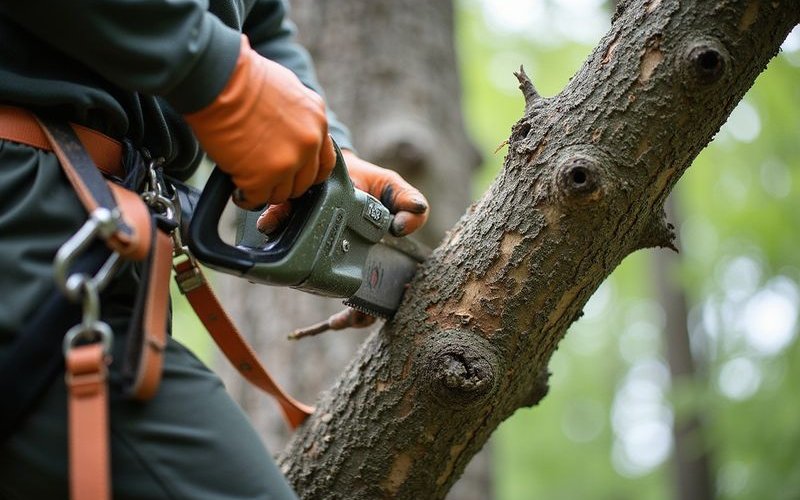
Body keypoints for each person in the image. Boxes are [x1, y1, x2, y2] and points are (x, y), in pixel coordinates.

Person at [0, 1, 429, 498]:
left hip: (105, 231)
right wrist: (215, 70)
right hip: (30, 212)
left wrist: (325, 151)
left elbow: (261, 21)